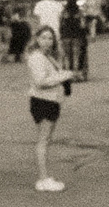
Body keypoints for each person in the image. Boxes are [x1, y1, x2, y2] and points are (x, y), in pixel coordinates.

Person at [25, 25, 77, 191]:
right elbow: (40, 81)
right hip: (43, 101)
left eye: (50, 38)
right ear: (37, 39)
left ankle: (45, 176)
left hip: (51, 100)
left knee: (46, 140)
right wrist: (63, 76)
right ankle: (43, 178)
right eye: (44, 38)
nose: (47, 41)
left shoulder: (47, 56)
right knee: (43, 140)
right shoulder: (36, 57)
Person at [60, 0, 90, 79]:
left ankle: (68, 74)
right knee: (76, 56)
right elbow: (83, 25)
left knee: (67, 56)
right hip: (77, 37)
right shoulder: (79, 13)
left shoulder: (64, 13)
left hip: (65, 37)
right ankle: (76, 75)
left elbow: (61, 25)